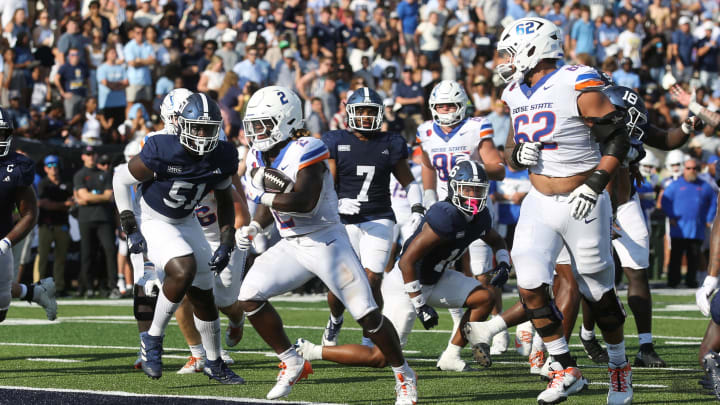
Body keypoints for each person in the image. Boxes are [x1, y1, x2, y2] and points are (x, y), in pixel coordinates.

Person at [237, 86, 417, 404]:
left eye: (264, 123)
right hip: (291, 243)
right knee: (249, 297)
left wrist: (259, 195)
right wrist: (254, 223)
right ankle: (293, 361)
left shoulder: (308, 147)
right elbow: (272, 203)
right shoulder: (257, 153)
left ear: (286, 120)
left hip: (326, 240)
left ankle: (404, 374)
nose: (257, 131)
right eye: (254, 124)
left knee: (367, 315)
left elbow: (304, 201)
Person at [499, 17, 632, 404]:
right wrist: (517, 155)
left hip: (583, 198)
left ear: (532, 48)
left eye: (510, 51)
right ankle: (564, 367)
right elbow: (510, 152)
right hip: (539, 200)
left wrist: (596, 183)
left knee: (598, 291)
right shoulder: (513, 92)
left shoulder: (576, 81)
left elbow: (618, 136)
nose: (505, 60)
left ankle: (620, 369)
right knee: (529, 282)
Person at [296, 159, 511, 370]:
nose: (473, 196)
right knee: (380, 358)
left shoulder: (480, 216)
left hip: (436, 278)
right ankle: (313, 350)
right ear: (454, 189)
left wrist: (503, 262)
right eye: (468, 189)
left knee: (484, 298)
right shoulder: (446, 215)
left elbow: (495, 240)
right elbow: (407, 260)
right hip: (405, 283)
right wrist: (419, 304)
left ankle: (451, 357)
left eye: (478, 190)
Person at [112, 92, 243, 384]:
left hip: (186, 220)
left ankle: (213, 362)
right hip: (152, 219)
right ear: (181, 124)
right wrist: (130, 226)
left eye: (208, 129)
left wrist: (226, 239)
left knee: (204, 295)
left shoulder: (223, 153)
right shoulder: (162, 147)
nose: (201, 135)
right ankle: (152, 339)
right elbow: (120, 179)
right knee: (183, 268)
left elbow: (224, 199)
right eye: (196, 127)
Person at [319, 87, 424, 348]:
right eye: (361, 111)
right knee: (338, 283)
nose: (366, 116)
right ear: (350, 112)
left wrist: (418, 208)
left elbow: (408, 181)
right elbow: (326, 184)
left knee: (373, 278)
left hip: (378, 217)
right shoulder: (335, 140)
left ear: (380, 114)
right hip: (342, 220)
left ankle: (371, 332)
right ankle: (335, 318)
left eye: (371, 111)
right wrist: (338, 202)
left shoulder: (390, 142)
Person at [415, 79, 505, 371]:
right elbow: (427, 164)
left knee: (480, 275)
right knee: (445, 270)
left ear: (462, 105)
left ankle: (488, 331)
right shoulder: (426, 131)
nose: (445, 110)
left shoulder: (476, 126)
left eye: (450, 105)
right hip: (444, 211)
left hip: (474, 207)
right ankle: (461, 334)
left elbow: (498, 168)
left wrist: (472, 167)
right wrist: (428, 194)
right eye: (440, 105)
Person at [0, 108, 57, 323]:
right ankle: (33, 292)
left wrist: (5, 243)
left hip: (1, 240)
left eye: (0, 133)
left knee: (1, 310)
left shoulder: (16, 167)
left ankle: (33, 292)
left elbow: (30, 213)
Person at [662, 158, 717, 288]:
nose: (692, 171)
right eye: (688, 168)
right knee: (675, 257)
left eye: (695, 168)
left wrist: (709, 219)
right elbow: (665, 201)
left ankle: (691, 281)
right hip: (678, 229)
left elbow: (714, 203)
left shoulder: (705, 186)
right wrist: (671, 216)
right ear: (684, 169)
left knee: (694, 257)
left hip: (696, 229)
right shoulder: (674, 185)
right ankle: (673, 281)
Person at [73, 145, 117, 297]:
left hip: (104, 218)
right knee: (87, 253)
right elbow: (83, 196)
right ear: (83, 157)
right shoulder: (80, 175)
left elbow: (108, 196)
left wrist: (90, 196)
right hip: (86, 219)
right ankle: (88, 286)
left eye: (93, 154)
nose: (91, 156)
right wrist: (98, 196)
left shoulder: (105, 174)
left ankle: (112, 285)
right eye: (88, 154)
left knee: (109, 251)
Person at [34, 155, 73, 297]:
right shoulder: (43, 184)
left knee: (60, 258)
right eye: (49, 166)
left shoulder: (66, 184)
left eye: (55, 166)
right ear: (45, 168)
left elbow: (72, 202)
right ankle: (38, 286)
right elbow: (43, 204)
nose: (53, 169)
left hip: (62, 224)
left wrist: (58, 205)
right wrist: (63, 205)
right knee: (42, 256)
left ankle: (59, 287)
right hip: (46, 224)